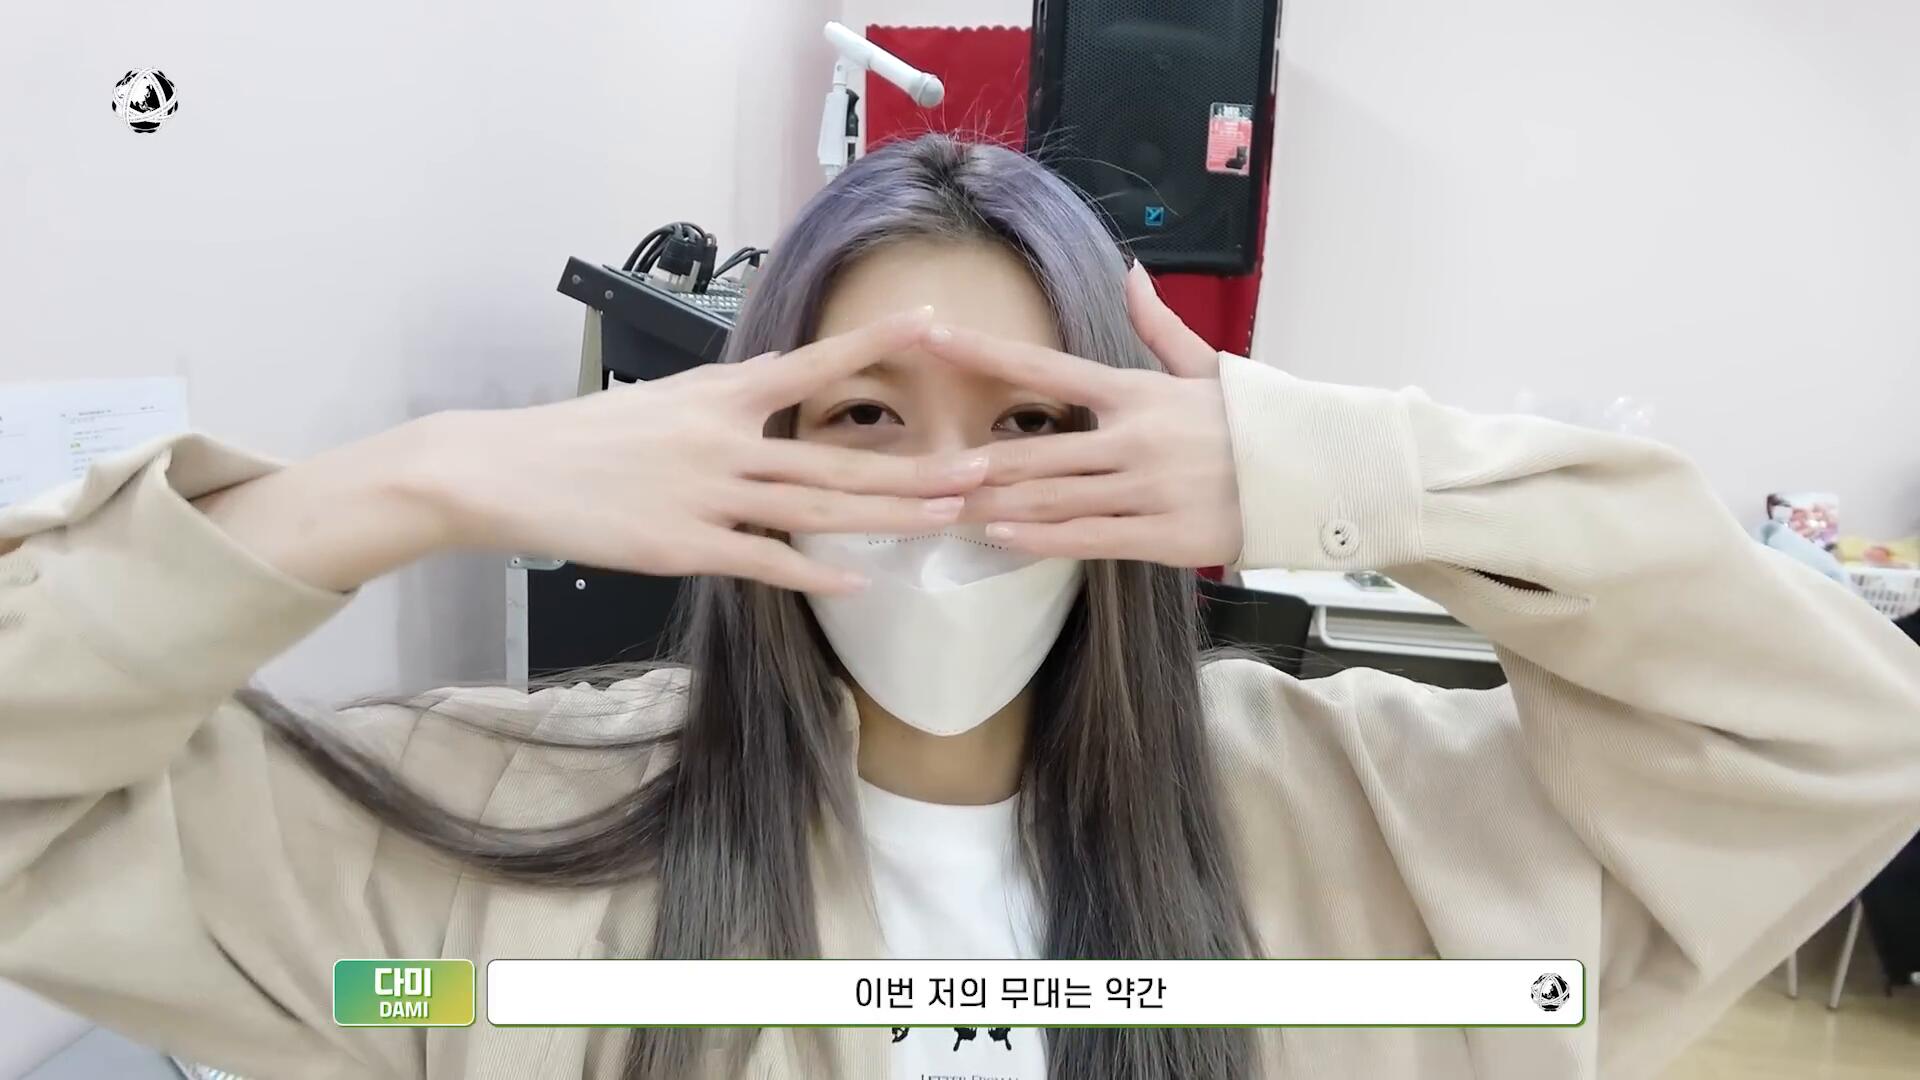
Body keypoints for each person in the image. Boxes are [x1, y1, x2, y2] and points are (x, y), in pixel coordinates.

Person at [2, 135, 1917, 1080]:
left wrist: (1344, 471)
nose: (947, 497)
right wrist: (408, 482)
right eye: (863, 419)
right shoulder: (482, 849)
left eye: (1035, 425)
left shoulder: (1390, 834)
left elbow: (1845, 739)